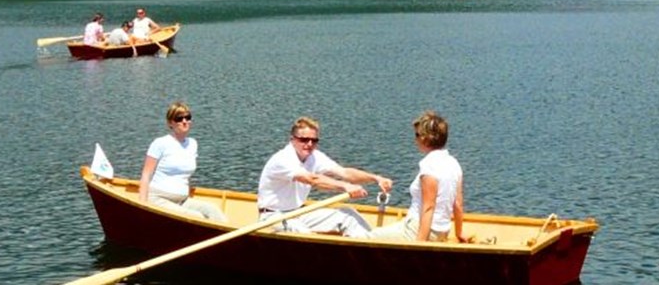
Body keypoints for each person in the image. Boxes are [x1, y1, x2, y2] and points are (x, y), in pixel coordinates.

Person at [257, 116, 392, 237]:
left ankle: (371, 247)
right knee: (305, 235)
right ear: (293, 140)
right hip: (273, 216)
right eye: (304, 139)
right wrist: (345, 187)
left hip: (299, 212)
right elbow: (312, 180)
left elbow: (345, 172)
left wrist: (376, 178)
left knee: (348, 215)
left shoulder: (314, 156)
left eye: (314, 140)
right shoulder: (283, 159)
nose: (309, 144)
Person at [370, 111, 471, 243]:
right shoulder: (454, 163)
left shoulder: (429, 165)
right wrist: (459, 233)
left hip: (419, 229)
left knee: (364, 237)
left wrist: (420, 245)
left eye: (417, 135)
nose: (415, 139)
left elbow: (429, 207)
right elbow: (458, 204)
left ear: (425, 139)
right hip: (442, 231)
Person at [138, 101, 227, 222]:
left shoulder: (193, 144)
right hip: (159, 198)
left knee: (213, 210)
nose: (184, 121)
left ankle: (233, 239)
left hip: (182, 200)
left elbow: (185, 174)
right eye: (179, 119)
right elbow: (146, 174)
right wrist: (142, 205)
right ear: (170, 123)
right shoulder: (160, 143)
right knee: (198, 217)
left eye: (187, 117)